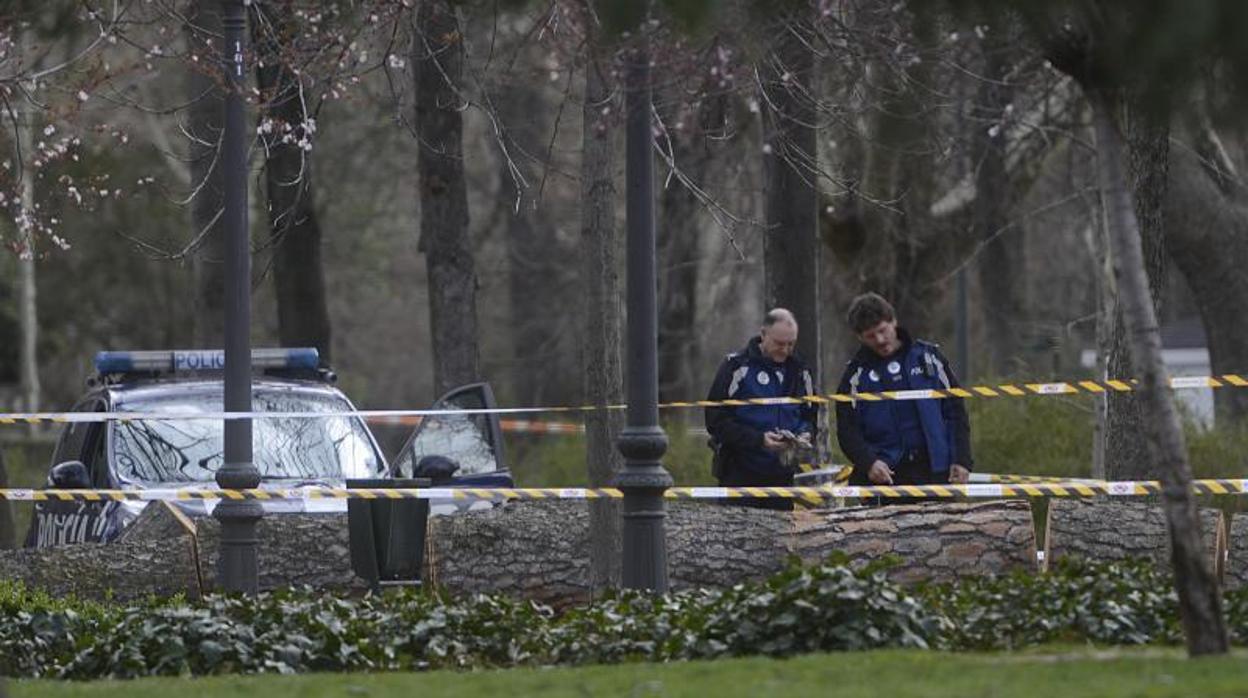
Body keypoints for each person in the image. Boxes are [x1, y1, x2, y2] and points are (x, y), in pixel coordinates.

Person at [836, 293, 972, 493]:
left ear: (894, 321)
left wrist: (961, 459)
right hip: (885, 478)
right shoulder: (855, 376)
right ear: (860, 338)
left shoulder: (929, 359)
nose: (880, 340)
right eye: (871, 336)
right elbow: (847, 431)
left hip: (935, 473)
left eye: (883, 330)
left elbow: (956, 413)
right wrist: (868, 463)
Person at [705, 308, 817, 511]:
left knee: (780, 539)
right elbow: (715, 420)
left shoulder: (801, 371)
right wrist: (758, 440)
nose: (785, 350)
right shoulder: (736, 367)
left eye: (790, 344)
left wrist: (804, 435)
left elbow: (810, 416)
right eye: (779, 344)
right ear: (763, 335)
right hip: (738, 473)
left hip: (783, 476)